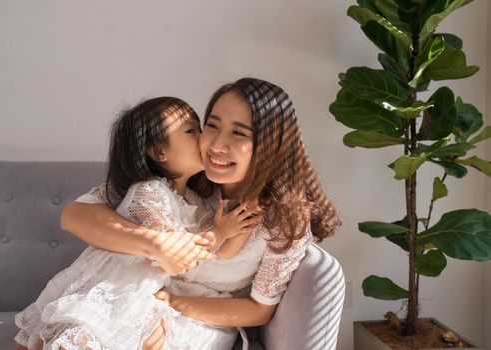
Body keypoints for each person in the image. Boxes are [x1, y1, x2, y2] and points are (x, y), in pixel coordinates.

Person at [60, 78, 341, 350]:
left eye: (238, 133)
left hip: (199, 320)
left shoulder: (283, 219)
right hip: (141, 298)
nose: (216, 145)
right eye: (212, 126)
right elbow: (76, 215)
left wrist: (170, 303)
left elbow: (259, 309)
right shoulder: (185, 176)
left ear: (272, 144)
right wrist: (155, 245)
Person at [14, 96, 259, 350]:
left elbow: (215, 254)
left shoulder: (196, 198)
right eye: (190, 131)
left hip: (148, 289)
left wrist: (234, 227)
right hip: (120, 281)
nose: (202, 139)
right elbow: (180, 255)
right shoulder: (149, 191)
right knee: (80, 334)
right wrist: (219, 232)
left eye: (200, 128)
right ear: (159, 152)